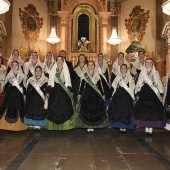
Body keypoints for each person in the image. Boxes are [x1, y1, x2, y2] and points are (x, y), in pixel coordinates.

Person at [135, 58, 165, 136]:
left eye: (150, 63)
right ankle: (146, 129)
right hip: (144, 93)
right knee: (145, 112)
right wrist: (137, 94)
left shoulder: (156, 72)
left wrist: (161, 94)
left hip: (153, 94)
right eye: (147, 62)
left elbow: (158, 83)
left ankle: (150, 130)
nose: (148, 64)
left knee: (152, 112)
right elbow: (139, 83)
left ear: (152, 64)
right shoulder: (142, 73)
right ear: (145, 63)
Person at [75, 60, 108, 132]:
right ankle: (88, 125)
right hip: (86, 94)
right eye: (89, 65)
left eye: (92, 65)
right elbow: (82, 86)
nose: (90, 66)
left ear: (94, 66)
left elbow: (100, 86)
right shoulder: (85, 75)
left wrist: (103, 94)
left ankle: (93, 125)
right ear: (87, 66)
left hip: (96, 94)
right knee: (87, 109)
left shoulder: (97, 75)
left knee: (95, 109)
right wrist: (79, 94)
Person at [46, 55, 75, 131]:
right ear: (56, 61)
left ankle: (63, 126)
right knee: (53, 107)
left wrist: (70, 92)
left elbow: (68, 82)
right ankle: (55, 127)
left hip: (64, 91)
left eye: (60, 60)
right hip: (54, 91)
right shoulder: (53, 70)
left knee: (64, 107)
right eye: (57, 60)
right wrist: (48, 92)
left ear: (63, 61)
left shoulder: (66, 70)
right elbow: (50, 81)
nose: (59, 61)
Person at [0, 61, 28, 131]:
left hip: (18, 94)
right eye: (13, 65)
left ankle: (18, 126)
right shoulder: (9, 75)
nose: (15, 66)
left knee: (19, 107)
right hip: (9, 93)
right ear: (11, 67)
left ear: (18, 66)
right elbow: (6, 85)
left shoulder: (22, 75)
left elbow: (23, 86)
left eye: (16, 65)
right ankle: (5, 126)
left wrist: (24, 94)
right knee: (7, 107)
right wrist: (3, 92)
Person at [108, 64, 135, 133]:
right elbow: (114, 86)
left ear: (127, 69)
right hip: (118, 95)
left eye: (124, 68)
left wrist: (132, 95)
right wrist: (112, 94)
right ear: (120, 69)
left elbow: (132, 86)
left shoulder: (130, 77)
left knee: (126, 110)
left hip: (127, 95)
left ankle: (125, 126)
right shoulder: (117, 77)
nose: (123, 69)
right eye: (122, 68)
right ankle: (120, 125)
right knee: (118, 110)